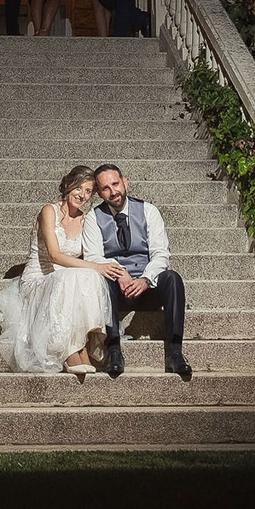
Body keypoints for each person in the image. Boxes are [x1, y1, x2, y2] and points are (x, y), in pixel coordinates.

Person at [0, 165, 117, 375]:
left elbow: (88, 257)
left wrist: (98, 269)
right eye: (78, 188)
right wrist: (95, 267)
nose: (82, 195)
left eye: (88, 191)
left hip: (65, 282)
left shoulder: (85, 220)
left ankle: (80, 344)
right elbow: (55, 255)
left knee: (88, 277)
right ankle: (67, 350)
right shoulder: (49, 211)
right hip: (38, 279)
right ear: (67, 185)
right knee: (76, 275)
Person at [90, 162, 190, 378]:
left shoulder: (148, 210)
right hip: (115, 291)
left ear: (125, 182)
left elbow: (161, 253)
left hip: (147, 289)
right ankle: (114, 350)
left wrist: (145, 279)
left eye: (115, 184)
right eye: (105, 188)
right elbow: (93, 257)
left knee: (173, 278)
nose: (113, 191)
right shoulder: (93, 218)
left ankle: (174, 352)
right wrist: (119, 272)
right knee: (101, 279)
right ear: (99, 192)